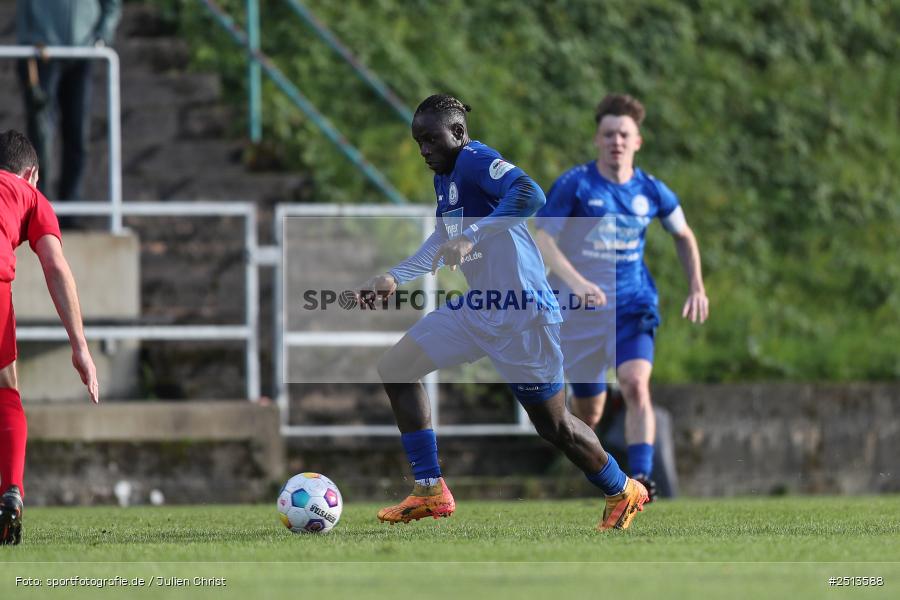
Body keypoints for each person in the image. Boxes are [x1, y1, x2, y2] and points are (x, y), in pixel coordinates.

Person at [360, 94, 648, 531]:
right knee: (396, 367)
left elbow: (531, 193)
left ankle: (621, 488)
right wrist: (396, 277)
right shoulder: (446, 177)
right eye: (418, 142)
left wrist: (473, 234)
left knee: (556, 427)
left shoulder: (476, 160)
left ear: (458, 133)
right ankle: (430, 489)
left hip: (524, 313)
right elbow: (443, 239)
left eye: (431, 140)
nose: (424, 150)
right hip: (480, 310)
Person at [535, 93, 708, 500]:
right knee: (588, 411)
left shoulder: (652, 191)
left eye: (624, 134)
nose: (616, 141)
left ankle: (643, 479)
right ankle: (600, 476)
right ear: (597, 140)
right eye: (609, 134)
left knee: (635, 384)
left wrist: (697, 286)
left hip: (632, 305)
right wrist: (576, 283)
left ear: (638, 141)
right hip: (581, 312)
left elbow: (683, 235)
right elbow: (542, 239)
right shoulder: (576, 184)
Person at [0, 130, 99, 545]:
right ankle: (11, 493)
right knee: (5, 391)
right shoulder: (29, 195)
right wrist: (80, 347)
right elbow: (55, 265)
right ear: (32, 173)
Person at [16, 0, 122, 205]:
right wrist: (29, 41)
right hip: (41, 54)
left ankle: (72, 205)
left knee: (78, 133)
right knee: (41, 135)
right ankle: (38, 204)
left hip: (82, 56)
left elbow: (112, 5)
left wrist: (101, 36)